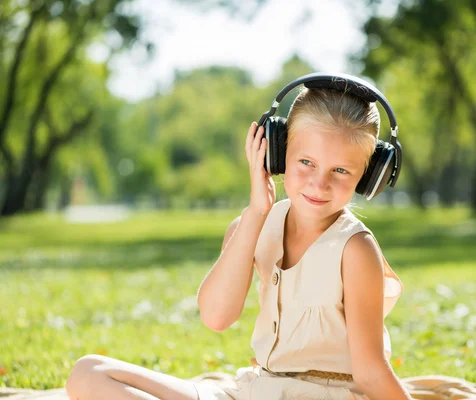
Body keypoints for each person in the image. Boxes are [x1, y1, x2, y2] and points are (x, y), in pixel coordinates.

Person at [65, 74, 411, 400]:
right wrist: (256, 212)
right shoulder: (254, 225)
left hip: (325, 394)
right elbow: (216, 317)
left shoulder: (355, 249)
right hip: (258, 389)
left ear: (369, 177)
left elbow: (370, 373)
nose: (319, 184)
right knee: (89, 373)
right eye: (306, 161)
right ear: (277, 153)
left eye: (340, 170)